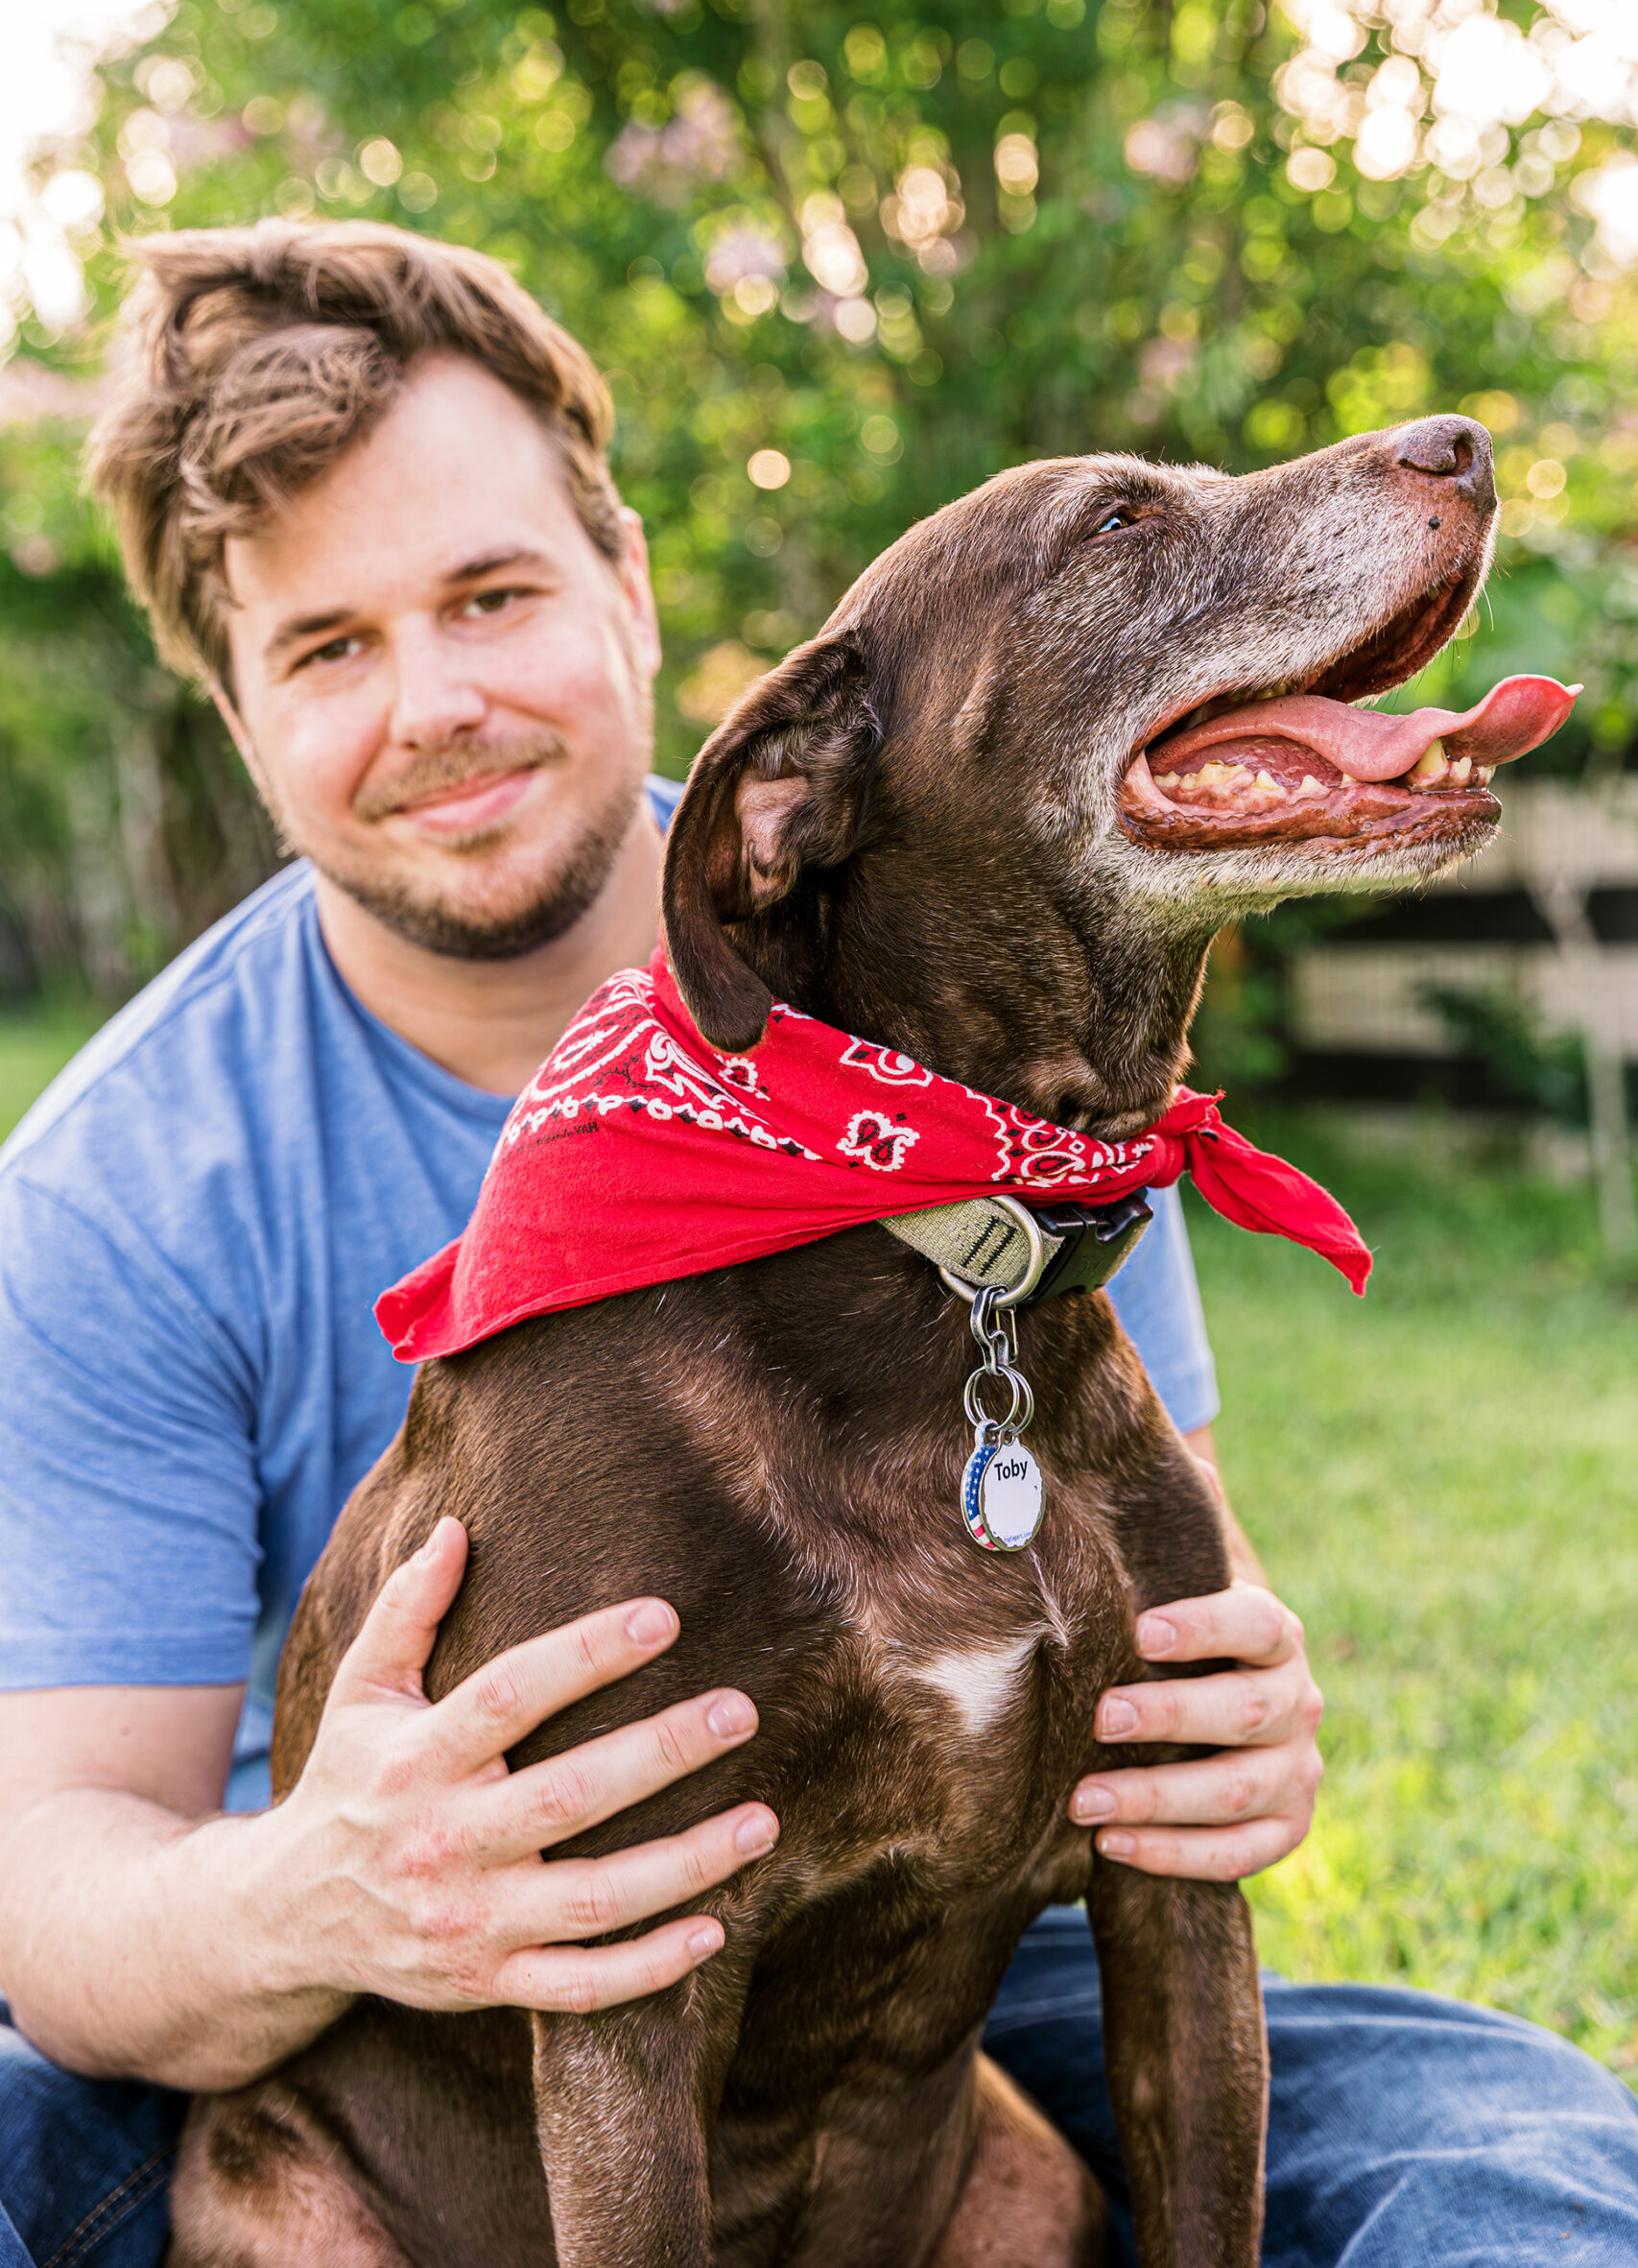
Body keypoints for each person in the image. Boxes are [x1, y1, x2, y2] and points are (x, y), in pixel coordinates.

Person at [0, 222, 1630, 2268]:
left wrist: (1222, 1727)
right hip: (350, 2013)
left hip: (949, 1983)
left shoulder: (989, 984)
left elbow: (1134, 1632)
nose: (434, 699)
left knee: (1521, 2160)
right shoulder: (114, 1190)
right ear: (234, 707)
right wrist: (325, 1879)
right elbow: (55, 1891)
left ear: (629, 582)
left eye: (492, 591)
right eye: (327, 645)